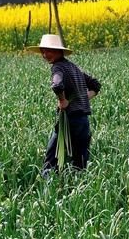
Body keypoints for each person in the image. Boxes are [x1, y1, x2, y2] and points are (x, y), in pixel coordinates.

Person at [26, 34, 101, 174]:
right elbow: (96, 85)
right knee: (80, 159)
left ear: (59, 51)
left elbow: (57, 85)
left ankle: (47, 188)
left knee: (52, 157)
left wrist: (62, 100)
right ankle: (80, 186)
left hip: (70, 119)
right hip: (83, 119)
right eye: (43, 51)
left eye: (49, 51)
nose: (45, 54)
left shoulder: (58, 67)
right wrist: (83, 98)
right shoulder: (73, 67)